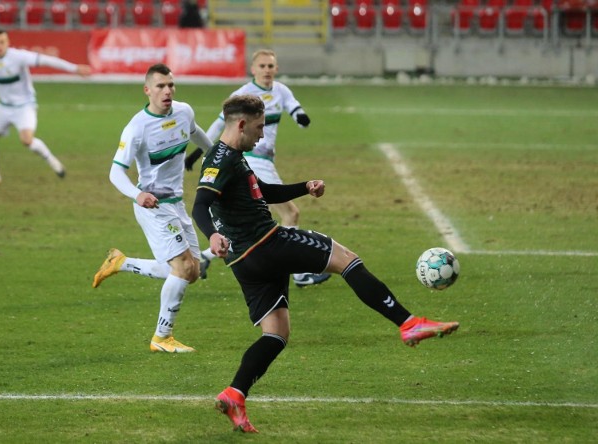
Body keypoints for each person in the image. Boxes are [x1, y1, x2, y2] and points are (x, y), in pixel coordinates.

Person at [191, 95, 460, 433]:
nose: (262, 135)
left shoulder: (235, 157)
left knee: (276, 333)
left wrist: (304, 187)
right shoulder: (222, 159)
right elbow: (200, 204)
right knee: (346, 259)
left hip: (245, 262)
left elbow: (262, 192)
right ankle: (408, 323)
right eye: (259, 128)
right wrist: (212, 234)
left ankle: (234, 394)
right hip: (265, 244)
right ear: (241, 124)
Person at [185, 49, 331, 288]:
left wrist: (301, 118)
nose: (267, 70)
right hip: (251, 161)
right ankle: (300, 274)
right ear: (253, 69)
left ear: (276, 68)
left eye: (270, 66)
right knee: (290, 214)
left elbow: (296, 109)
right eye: (262, 66)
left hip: (266, 161)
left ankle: (205, 256)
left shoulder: (281, 90)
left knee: (249, 223)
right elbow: (220, 125)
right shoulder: (242, 95)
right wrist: (197, 152)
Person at [95, 63, 213, 353]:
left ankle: (122, 263)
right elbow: (115, 172)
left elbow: (196, 133)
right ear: (147, 90)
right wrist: (137, 195)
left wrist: (216, 155)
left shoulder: (184, 111)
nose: (167, 91)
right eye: (160, 86)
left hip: (176, 203)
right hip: (153, 205)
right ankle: (162, 338)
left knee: (192, 272)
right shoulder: (137, 127)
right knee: (183, 267)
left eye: (171, 85)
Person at [0, 28, 92, 186]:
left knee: (26, 140)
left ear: (8, 42)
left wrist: (74, 68)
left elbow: (47, 60)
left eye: (2, 42)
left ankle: (52, 161)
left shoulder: (18, 57)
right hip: (3, 107)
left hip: (24, 106)